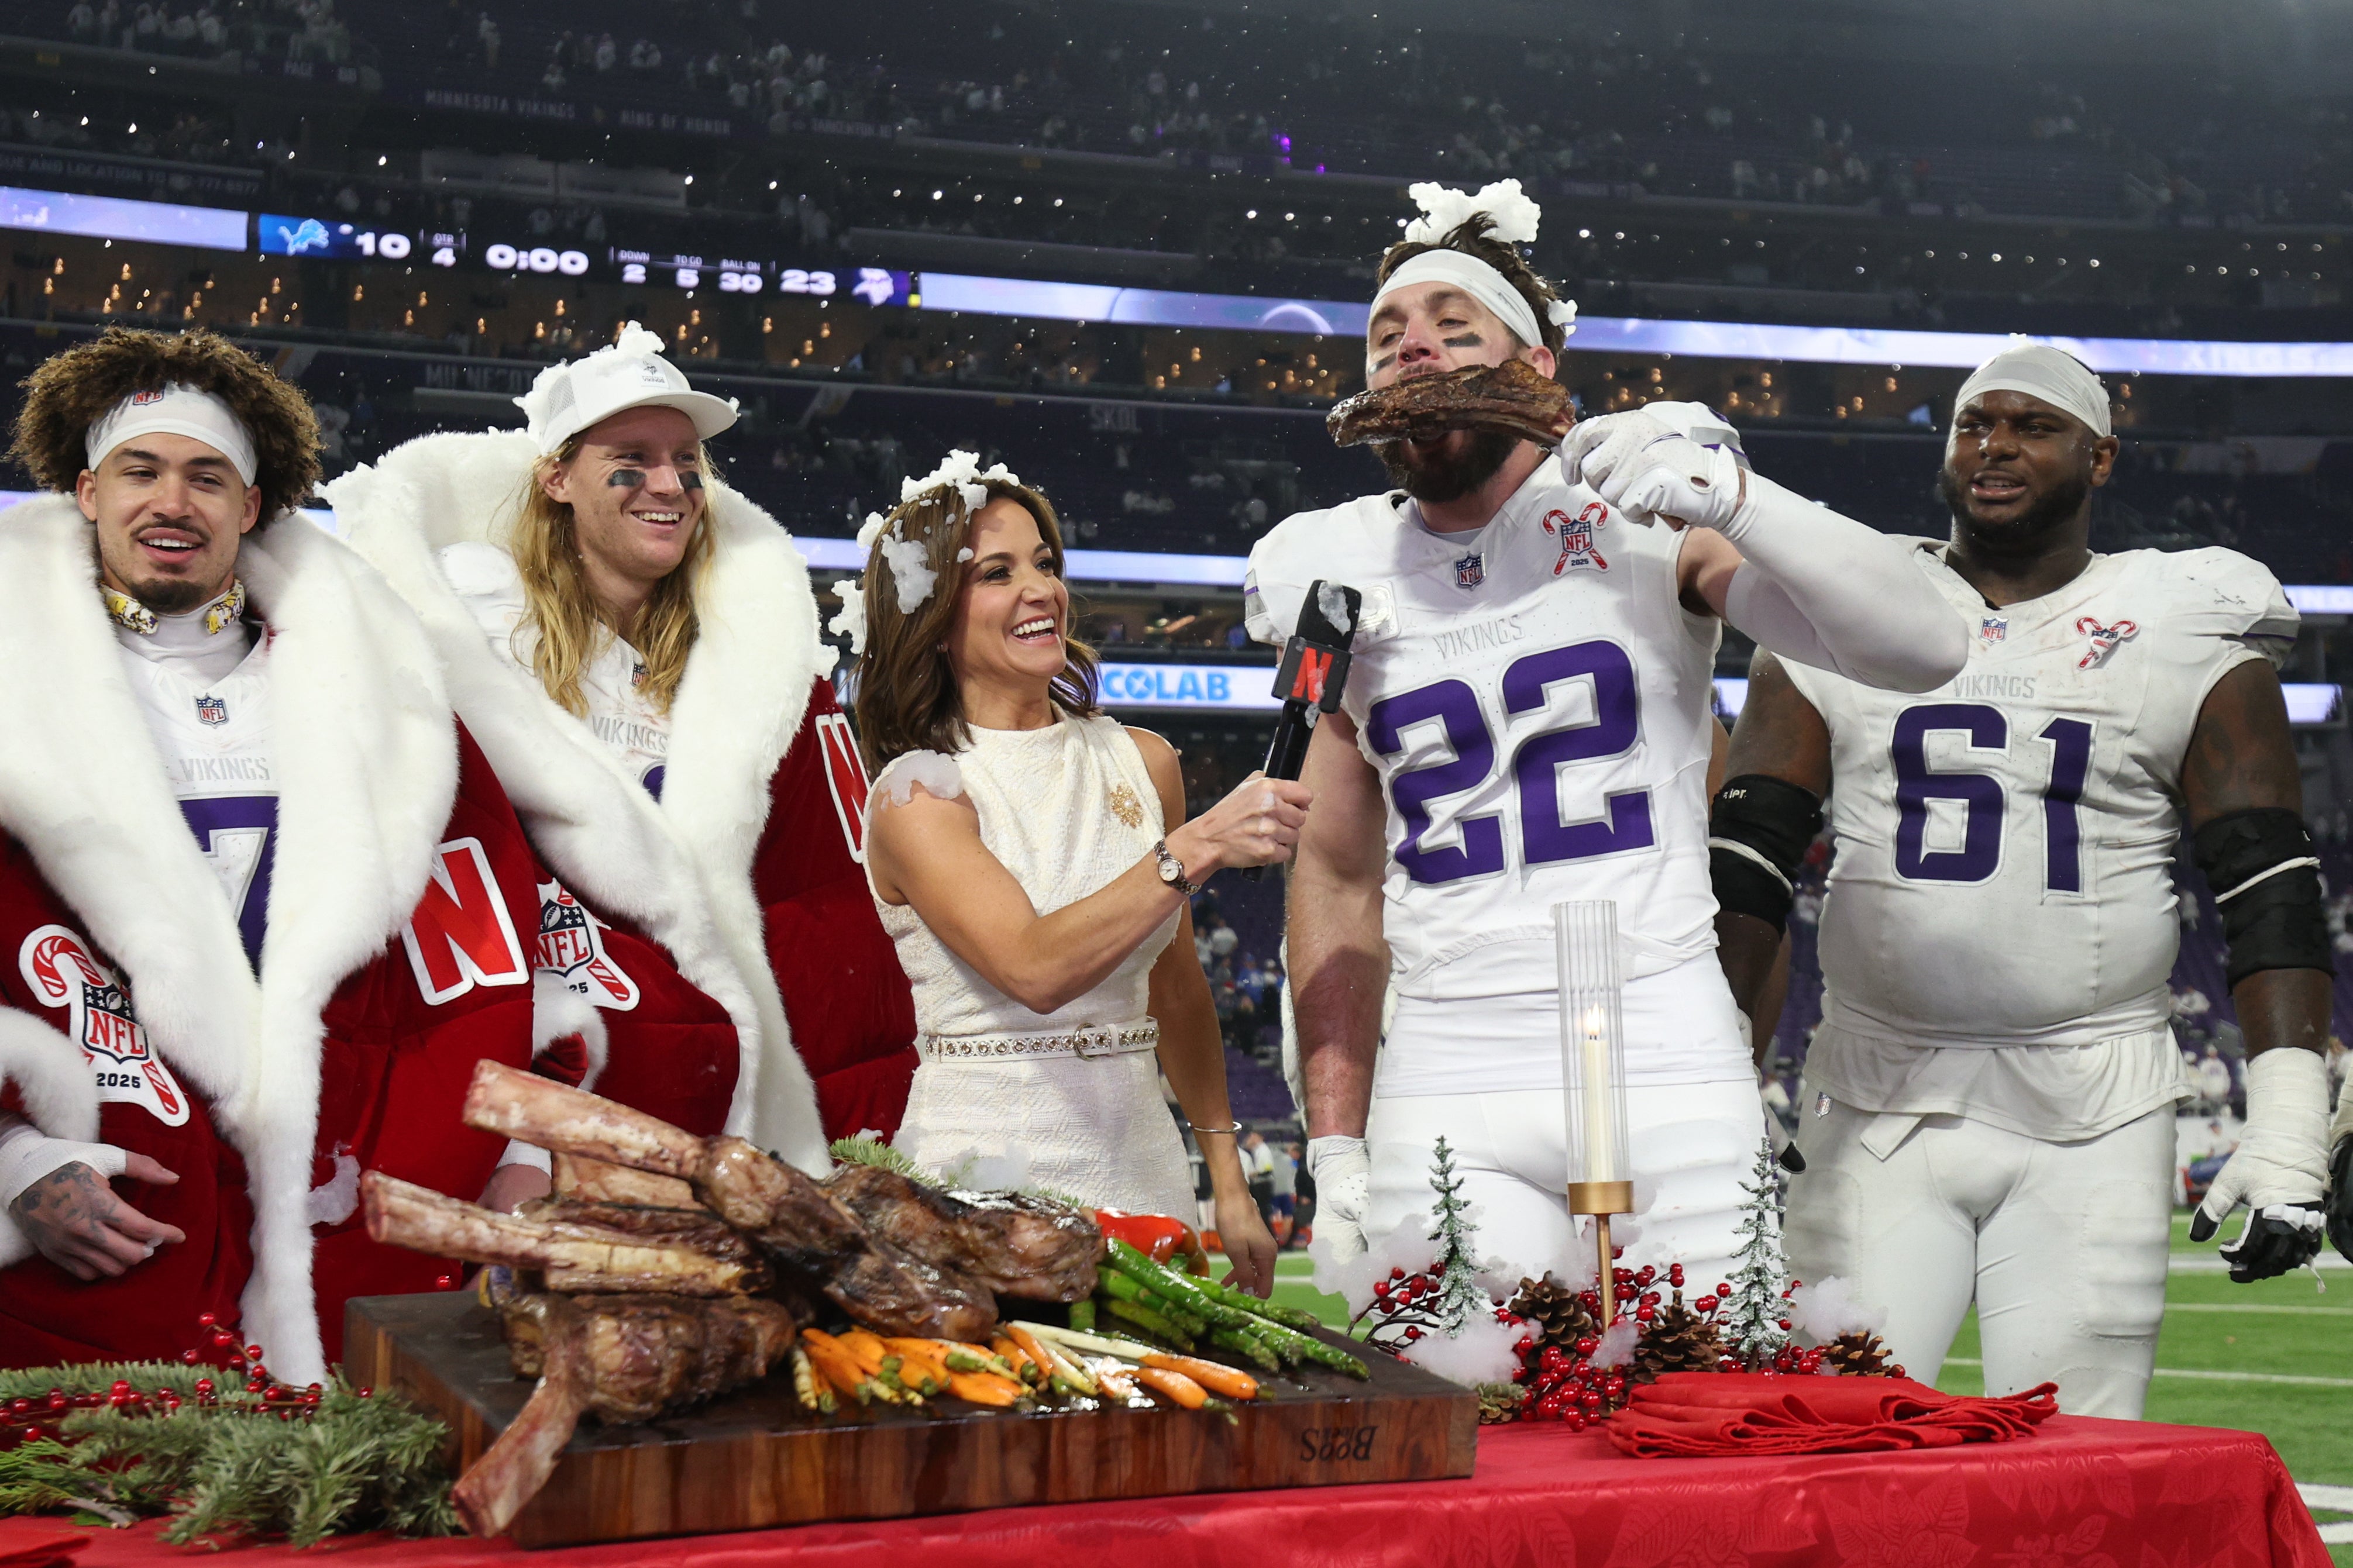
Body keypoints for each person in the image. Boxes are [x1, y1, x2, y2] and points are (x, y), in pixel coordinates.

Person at [1252, 179, 1972, 1288]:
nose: (1411, 348)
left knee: (1703, 1397)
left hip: (1659, 1032)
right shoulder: (1330, 568)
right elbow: (1339, 876)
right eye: (1386, 335)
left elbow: (1925, 643)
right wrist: (1337, 1139)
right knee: (1468, 1421)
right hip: (1446, 1053)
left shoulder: (1637, 511)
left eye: (1454, 326)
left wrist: (1737, 497)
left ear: (1536, 365)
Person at [1715, 343, 2332, 1417]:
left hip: (2096, 1103)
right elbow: (1746, 875)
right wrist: (1708, 1092)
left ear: (2099, 458)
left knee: (2076, 1471)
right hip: (1871, 1090)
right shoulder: (1836, 603)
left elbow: (2266, 881)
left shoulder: (2181, 613)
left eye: (2030, 426)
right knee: (1825, 1447)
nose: (1993, 446)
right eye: (1972, 424)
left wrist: (2284, 1118)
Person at [0, 326, 549, 1379]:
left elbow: (486, 958)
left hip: (348, 1217)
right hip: (116, 1232)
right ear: (85, 492)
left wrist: (512, 1152)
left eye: (208, 476)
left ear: (250, 508)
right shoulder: (19, 698)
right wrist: (15, 1154)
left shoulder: (385, 704)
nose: (174, 502)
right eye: (141, 471)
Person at [318, 325, 916, 1169]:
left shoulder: (742, 661)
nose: (667, 484)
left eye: (686, 462)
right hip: (559, 1080)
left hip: (720, 1082)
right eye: (630, 459)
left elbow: (813, 906)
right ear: (556, 478)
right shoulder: (475, 629)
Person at [849, 452, 1292, 1293]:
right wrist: (1193, 847)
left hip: (1145, 1167)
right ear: (933, 616)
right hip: (980, 1182)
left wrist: (1226, 1180)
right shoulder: (915, 791)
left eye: (1045, 564)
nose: (1039, 590)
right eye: (996, 572)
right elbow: (1035, 968)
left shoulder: (1144, 761)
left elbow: (1177, 988)